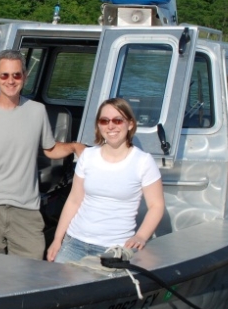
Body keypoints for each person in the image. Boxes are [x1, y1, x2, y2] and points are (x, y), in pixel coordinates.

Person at [0, 49, 84, 259]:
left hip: (27, 208)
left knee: (30, 271)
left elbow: (50, 149)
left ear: (24, 77)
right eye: (5, 75)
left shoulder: (37, 111)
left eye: (16, 75)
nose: (11, 81)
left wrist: (74, 147)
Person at [47, 97, 165, 263]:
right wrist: (57, 239)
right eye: (104, 121)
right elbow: (74, 200)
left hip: (113, 248)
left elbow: (156, 205)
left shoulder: (143, 162)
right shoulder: (87, 156)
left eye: (118, 120)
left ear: (130, 124)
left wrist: (141, 236)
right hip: (74, 242)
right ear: (98, 126)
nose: (111, 126)